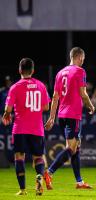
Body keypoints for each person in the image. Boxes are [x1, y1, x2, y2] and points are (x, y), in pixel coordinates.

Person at [44, 47, 95, 190]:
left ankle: (79, 182)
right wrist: (91, 106)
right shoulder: (80, 71)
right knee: (72, 148)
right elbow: (83, 94)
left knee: (75, 148)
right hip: (73, 115)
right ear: (79, 57)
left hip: (62, 115)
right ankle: (49, 172)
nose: (83, 62)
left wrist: (51, 118)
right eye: (83, 59)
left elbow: (55, 97)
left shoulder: (60, 73)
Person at [2, 58, 50, 195]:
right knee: (38, 157)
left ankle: (23, 189)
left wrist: (6, 114)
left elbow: (8, 109)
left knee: (19, 156)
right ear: (33, 70)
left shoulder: (15, 87)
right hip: (37, 128)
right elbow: (46, 106)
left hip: (20, 128)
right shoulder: (41, 85)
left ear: (19, 70)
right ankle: (39, 177)